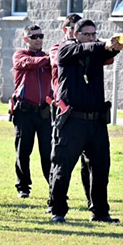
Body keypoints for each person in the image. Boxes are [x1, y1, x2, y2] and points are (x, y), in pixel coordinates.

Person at [48, 19, 123, 223]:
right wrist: (104, 44)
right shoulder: (65, 49)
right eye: (87, 34)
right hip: (73, 120)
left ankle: (100, 212)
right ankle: (57, 210)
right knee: (62, 168)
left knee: (100, 169)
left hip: (96, 121)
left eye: (94, 34)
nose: (91, 38)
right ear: (76, 34)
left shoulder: (95, 52)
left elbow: (106, 52)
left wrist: (114, 46)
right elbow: (87, 49)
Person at [49, 13, 91, 207]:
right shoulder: (59, 48)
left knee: (88, 161)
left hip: (84, 108)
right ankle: (55, 202)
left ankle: (92, 201)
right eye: (73, 28)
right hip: (63, 109)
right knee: (60, 157)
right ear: (66, 30)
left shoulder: (85, 47)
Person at [11, 24, 53, 199]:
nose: (38, 40)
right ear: (26, 39)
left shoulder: (47, 57)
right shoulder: (20, 55)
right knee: (23, 151)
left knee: (48, 152)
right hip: (24, 111)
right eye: (34, 37)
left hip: (43, 111)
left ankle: (54, 185)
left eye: (40, 36)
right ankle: (23, 187)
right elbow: (27, 63)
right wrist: (49, 59)